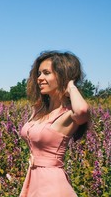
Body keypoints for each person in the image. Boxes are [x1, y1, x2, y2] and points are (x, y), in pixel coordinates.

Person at [19, 50, 91, 197]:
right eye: (39, 73)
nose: (39, 78)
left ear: (62, 76)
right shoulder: (39, 110)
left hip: (52, 184)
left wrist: (70, 85)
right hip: (33, 180)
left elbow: (83, 111)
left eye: (46, 73)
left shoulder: (68, 114)